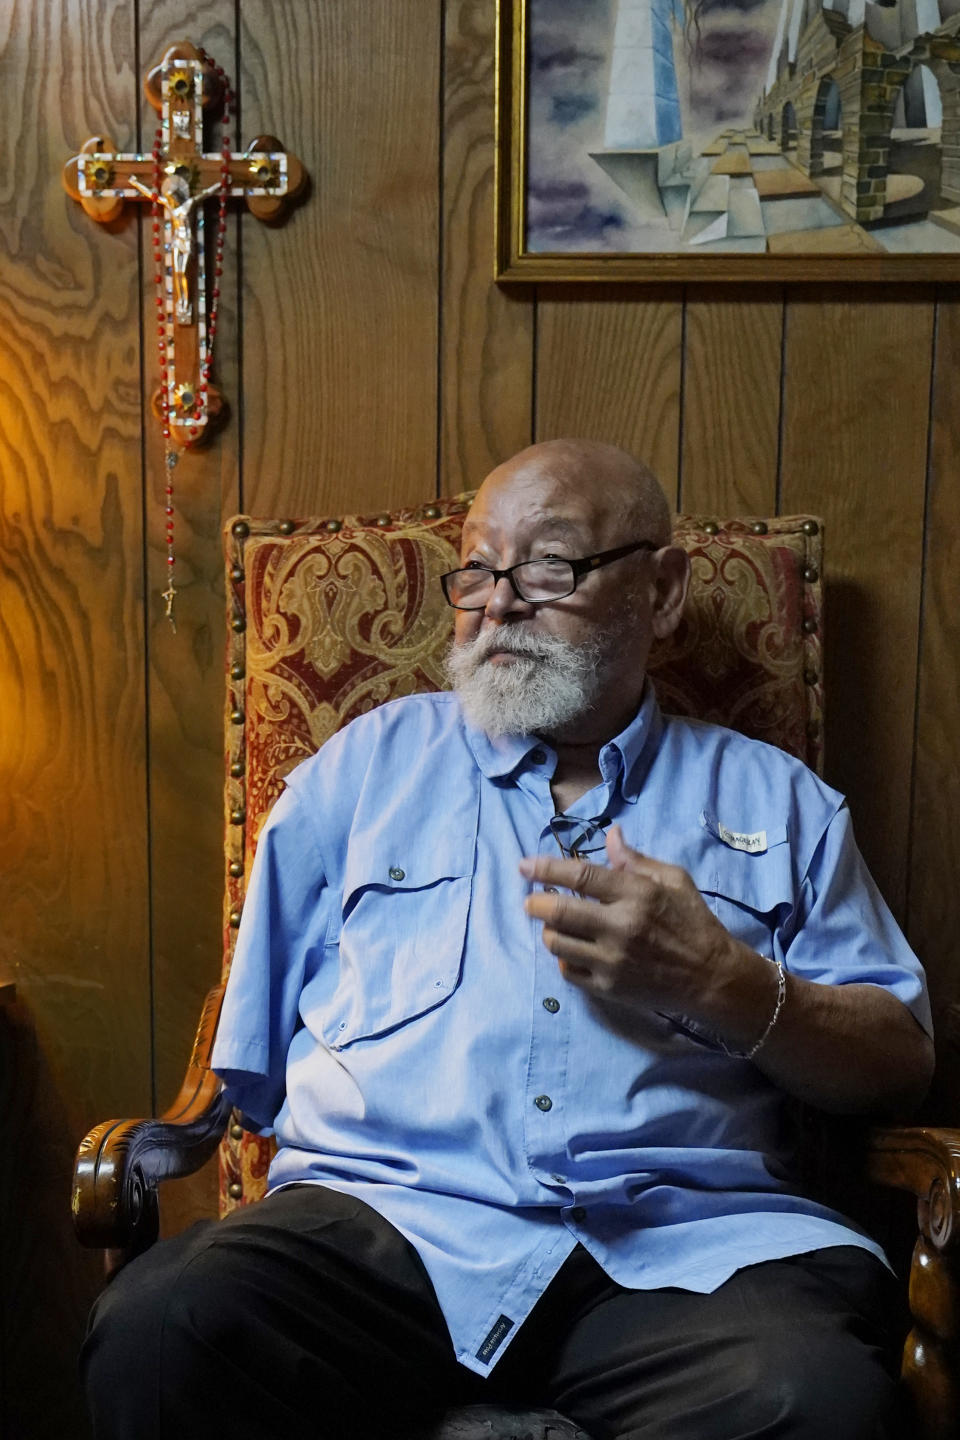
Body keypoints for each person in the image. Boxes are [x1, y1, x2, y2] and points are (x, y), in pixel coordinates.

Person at [82, 439, 934, 1440]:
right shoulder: (353, 778)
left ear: (660, 593)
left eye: (548, 568)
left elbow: (899, 1062)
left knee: (814, 1400)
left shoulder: (777, 802)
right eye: (478, 568)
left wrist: (725, 983)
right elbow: (248, 1078)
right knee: (159, 1330)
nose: (498, 602)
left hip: (688, 1253)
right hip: (387, 1231)